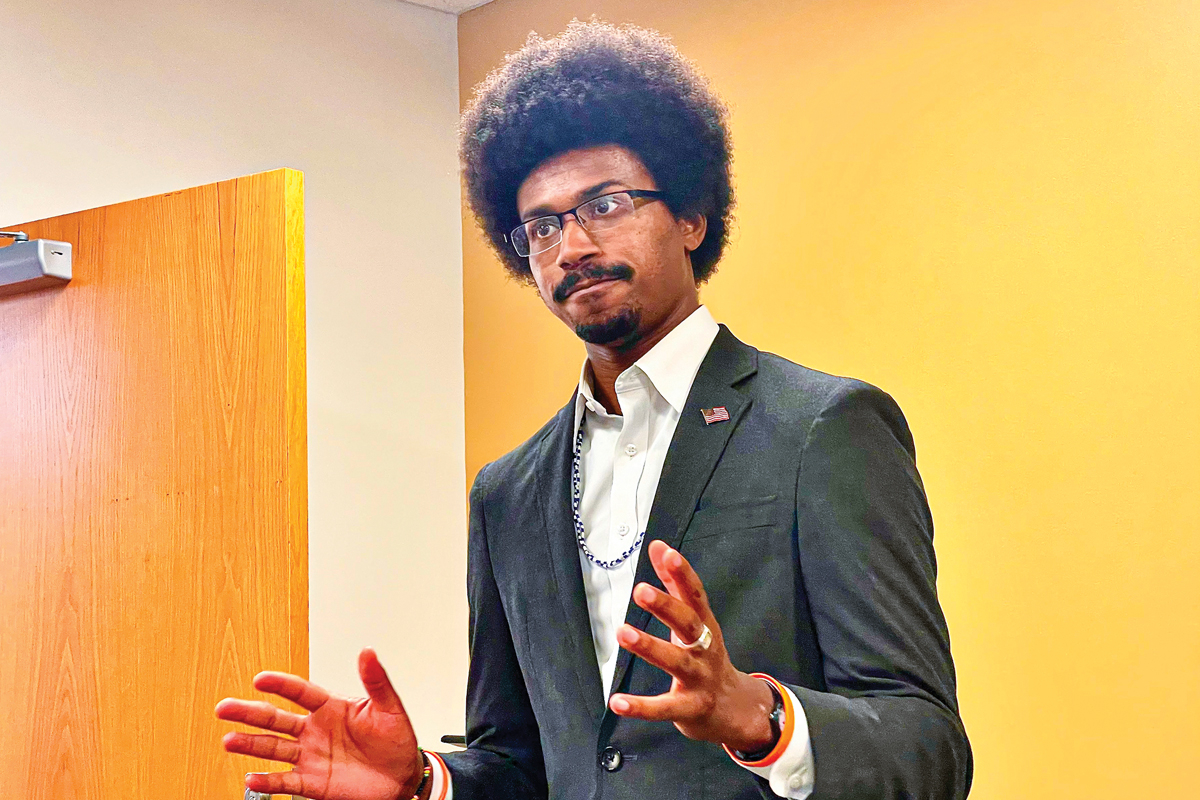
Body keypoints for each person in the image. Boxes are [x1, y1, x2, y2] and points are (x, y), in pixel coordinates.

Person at [216, 21, 972, 800]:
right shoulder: (506, 494)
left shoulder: (822, 427)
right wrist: (425, 783)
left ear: (690, 216)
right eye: (541, 226)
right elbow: (523, 765)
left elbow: (928, 746)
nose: (571, 245)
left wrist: (763, 718)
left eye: (604, 204)